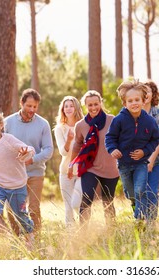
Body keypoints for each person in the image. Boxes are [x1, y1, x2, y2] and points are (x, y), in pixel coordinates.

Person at [0, 108, 35, 256]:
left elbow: (30, 149)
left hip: (17, 186)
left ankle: (30, 242)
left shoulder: (8, 140)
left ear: (1, 125)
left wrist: (26, 153)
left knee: (21, 216)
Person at [105, 80, 159, 222]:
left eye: (137, 100)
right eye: (130, 101)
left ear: (143, 101)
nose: (134, 103)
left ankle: (140, 218)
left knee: (140, 190)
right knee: (131, 193)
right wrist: (113, 149)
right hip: (123, 164)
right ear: (125, 103)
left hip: (141, 163)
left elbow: (155, 139)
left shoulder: (149, 121)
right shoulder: (119, 120)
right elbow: (110, 137)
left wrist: (145, 151)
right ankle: (136, 206)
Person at [4, 88, 54, 232]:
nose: (32, 109)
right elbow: (2, 147)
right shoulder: (8, 122)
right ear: (21, 103)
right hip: (13, 174)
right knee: (12, 210)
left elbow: (48, 149)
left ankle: (35, 240)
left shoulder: (43, 124)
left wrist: (32, 160)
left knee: (33, 208)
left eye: (35, 106)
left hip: (35, 173)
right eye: (29, 106)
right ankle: (17, 240)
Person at [68, 90, 119, 226]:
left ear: (100, 103)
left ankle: (111, 230)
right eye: (90, 105)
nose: (93, 107)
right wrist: (71, 165)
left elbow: (120, 139)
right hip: (90, 168)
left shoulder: (112, 120)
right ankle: (83, 232)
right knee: (86, 199)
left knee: (108, 201)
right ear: (85, 105)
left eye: (96, 104)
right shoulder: (81, 125)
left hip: (110, 169)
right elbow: (77, 146)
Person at [54, 96, 84, 227]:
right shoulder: (60, 129)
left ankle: (85, 229)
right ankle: (70, 234)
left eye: (71, 105)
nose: (68, 108)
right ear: (63, 109)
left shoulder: (84, 125)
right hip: (65, 171)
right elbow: (63, 152)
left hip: (83, 171)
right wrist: (68, 140)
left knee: (78, 203)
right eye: (66, 106)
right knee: (68, 205)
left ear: (76, 108)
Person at [143, 80, 159, 221]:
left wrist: (150, 160)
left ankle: (151, 223)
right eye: (143, 91)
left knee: (152, 191)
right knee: (138, 193)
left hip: (156, 160)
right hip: (137, 160)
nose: (145, 94)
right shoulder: (133, 113)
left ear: (153, 95)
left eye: (148, 91)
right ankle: (140, 219)